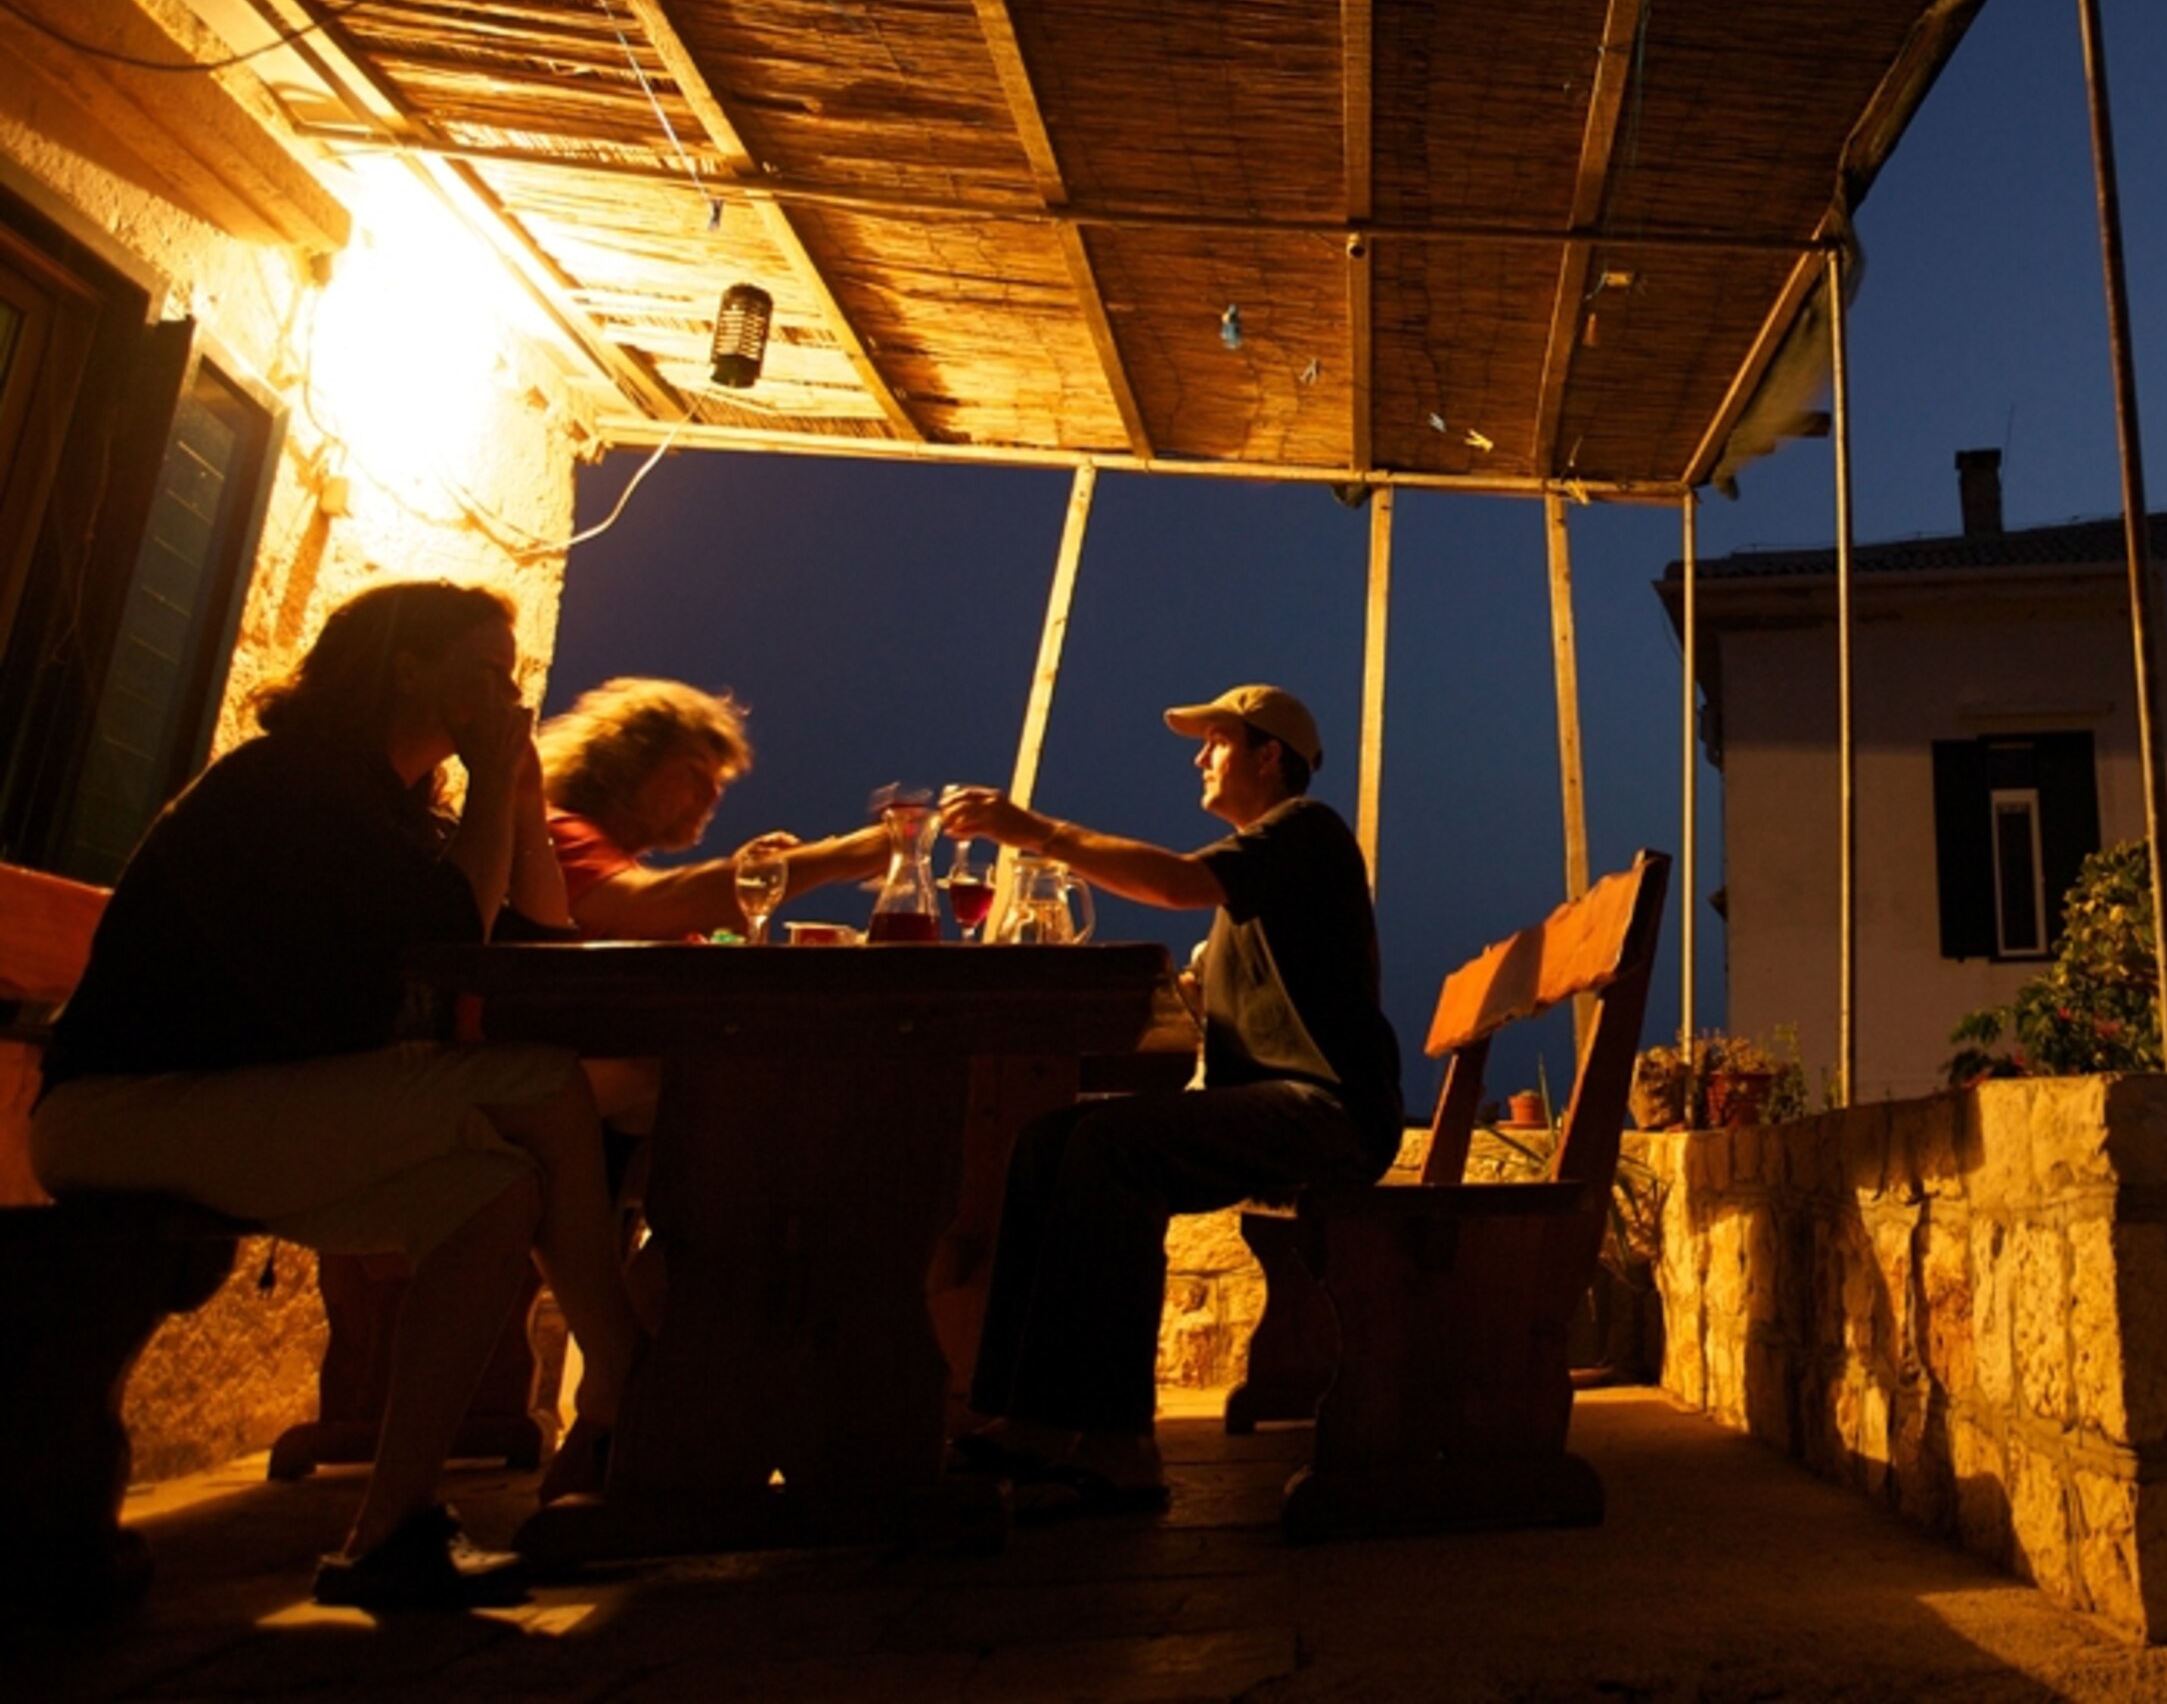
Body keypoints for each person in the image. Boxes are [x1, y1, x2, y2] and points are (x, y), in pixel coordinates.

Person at [30, 581, 646, 1611]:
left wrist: (519, 792)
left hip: (251, 1103)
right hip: (126, 1107)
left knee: (490, 1196)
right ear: (407, 665)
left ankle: (390, 1531)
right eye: (490, 670)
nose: (510, 693)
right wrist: (493, 788)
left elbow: (537, 948)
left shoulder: (403, 816)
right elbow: (439, 944)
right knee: (541, 1085)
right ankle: (633, 1384)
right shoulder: (291, 785)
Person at [936, 683, 1402, 1513]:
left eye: (1216, 741)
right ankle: (1025, 1415)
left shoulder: (1302, 830)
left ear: (1268, 757)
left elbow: (1177, 882)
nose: (1198, 756)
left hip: (1331, 1117)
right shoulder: (1261, 879)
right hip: (1282, 1108)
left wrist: (1033, 830)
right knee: (1047, 1141)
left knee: (1115, 1150)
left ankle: (1121, 1443)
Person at [535, 678, 882, 941]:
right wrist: (844, 854)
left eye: (718, 782)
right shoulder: (556, 835)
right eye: (694, 773)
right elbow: (654, 904)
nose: (712, 795)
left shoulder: (611, 860)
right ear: (628, 764)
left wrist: (745, 901)